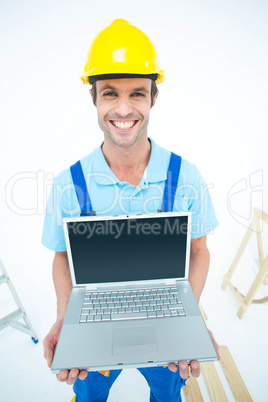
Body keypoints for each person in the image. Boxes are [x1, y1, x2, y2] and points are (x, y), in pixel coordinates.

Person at [42, 18, 219, 402]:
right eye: (110, 93)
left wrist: (187, 313)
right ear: (94, 98)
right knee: (88, 395)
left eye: (137, 93)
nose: (123, 109)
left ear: (154, 97)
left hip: (164, 314)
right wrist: (64, 318)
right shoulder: (68, 184)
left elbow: (200, 250)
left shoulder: (185, 176)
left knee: (168, 395)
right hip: (95, 317)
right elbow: (61, 256)